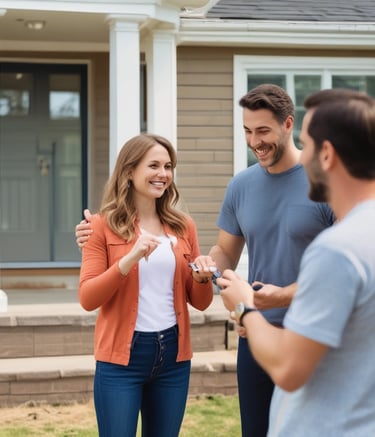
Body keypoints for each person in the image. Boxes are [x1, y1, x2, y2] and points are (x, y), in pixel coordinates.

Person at [76, 84, 335, 436]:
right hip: (255, 331)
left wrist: (283, 295)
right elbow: (225, 251)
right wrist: (210, 271)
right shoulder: (241, 186)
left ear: (288, 125)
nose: (254, 140)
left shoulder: (327, 181)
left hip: (319, 330)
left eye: (263, 131)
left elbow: (350, 264)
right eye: (247, 131)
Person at [218, 88, 375, 436]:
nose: (302, 158)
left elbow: (289, 366)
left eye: (308, 143)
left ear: (328, 155)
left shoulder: (338, 248)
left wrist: (245, 308)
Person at [78, 133, 214, 437]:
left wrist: (202, 278)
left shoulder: (183, 226)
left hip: (173, 357)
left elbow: (201, 301)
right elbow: (88, 298)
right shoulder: (100, 226)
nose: (163, 174)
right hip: (121, 359)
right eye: (153, 165)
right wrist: (130, 258)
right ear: (129, 171)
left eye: (168, 166)